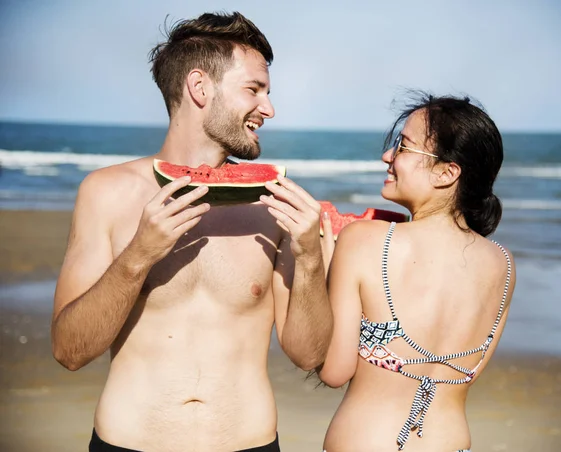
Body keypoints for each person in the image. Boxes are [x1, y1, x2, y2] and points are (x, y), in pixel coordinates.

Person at [51, 11, 332, 452]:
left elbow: (309, 354)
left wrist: (312, 261)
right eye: (254, 90)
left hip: (250, 444)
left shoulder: (274, 204)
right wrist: (138, 257)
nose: (269, 109)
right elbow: (69, 352)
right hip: (127, 443)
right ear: (200, 88)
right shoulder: (105, 193)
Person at [278, 93, 516, 451]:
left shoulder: (364, 240)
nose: (387, 156)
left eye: (403, 148)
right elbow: (469, 372)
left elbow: (333, 370)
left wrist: (309, 259)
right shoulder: (503, 264)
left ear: (447, 172)